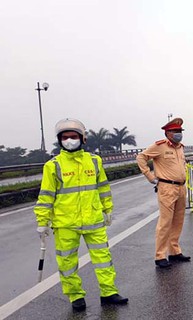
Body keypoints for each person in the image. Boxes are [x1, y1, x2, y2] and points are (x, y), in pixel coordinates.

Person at [34, 118, 128, 312]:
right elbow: (45, 196)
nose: (70, 140)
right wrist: (42, 221)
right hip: (65, 223)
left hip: (93, 220)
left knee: (103, 258)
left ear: (82, 138)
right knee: (67, 261)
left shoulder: (94, 161)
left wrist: (108, 208)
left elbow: (103, 186)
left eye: (74, 136)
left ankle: (108, 292)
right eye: (65, 137)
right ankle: (76, 296)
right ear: (60, 140)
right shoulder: (53, 166)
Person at [136, 118, 190, 269]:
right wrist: (151, 177)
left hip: (180, 187)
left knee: (178, 221)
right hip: (167, 188)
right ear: (168, 133)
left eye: (180, 131)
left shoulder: (180, 148)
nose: (179, 134)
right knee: (165, 223)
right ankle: (160, 256)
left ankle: (174, 252)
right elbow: (141, 157)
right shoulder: (159, 146)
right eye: (176, 131)